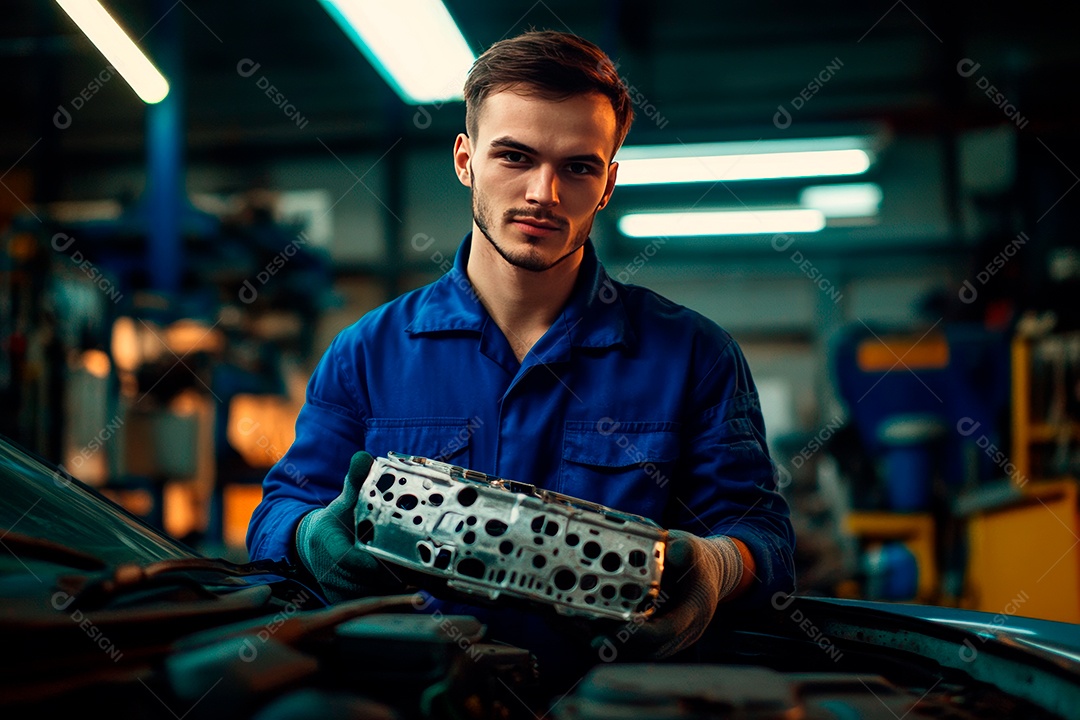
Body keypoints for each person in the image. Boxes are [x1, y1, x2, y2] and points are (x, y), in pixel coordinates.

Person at [246, 29, 795, 672]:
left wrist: (717, 566)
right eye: (515, 157)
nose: (543, 193)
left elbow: (762, 537)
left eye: (578, 167)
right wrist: (310, 537)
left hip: (608, 701)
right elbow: (279, 513)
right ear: (465, 160)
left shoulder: (696, 357)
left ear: (608, 183)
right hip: (414, 696)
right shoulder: (365, 354)